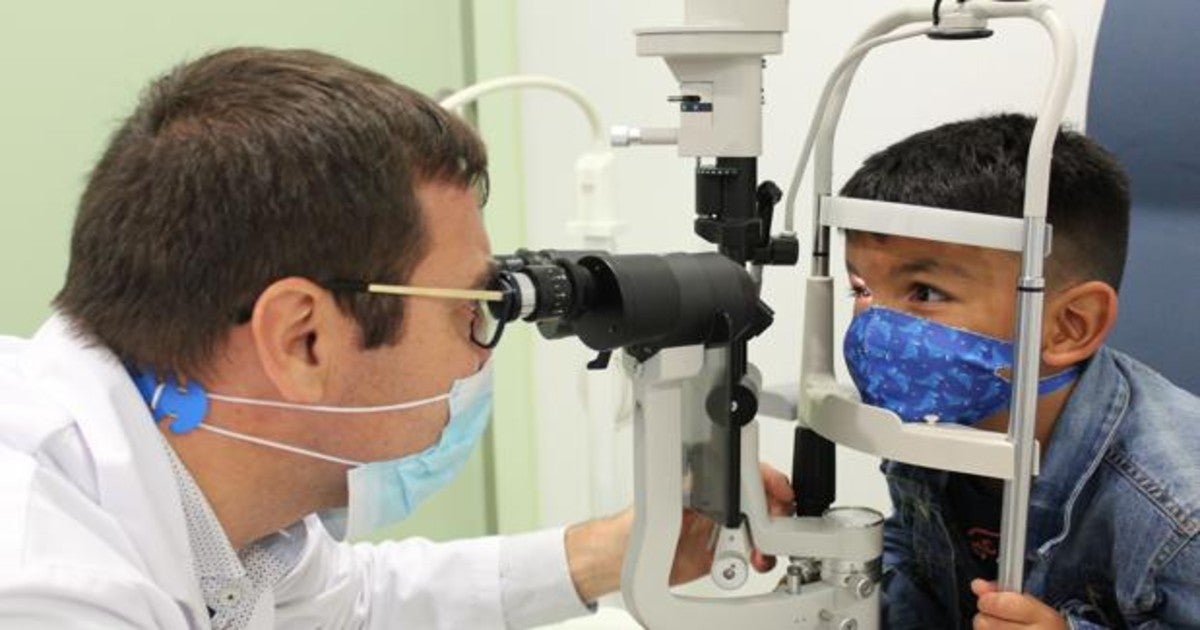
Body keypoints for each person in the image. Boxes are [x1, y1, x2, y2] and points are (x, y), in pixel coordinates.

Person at [0, 48, 794, 628]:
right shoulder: (48, 585)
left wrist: (618, 548)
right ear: (303, 338)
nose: (479, 350)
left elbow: (355, 603)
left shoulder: (209, 497)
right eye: (469, 305)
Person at [838, 113, 1200, 628]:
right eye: (862, 289)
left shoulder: (1178, 512)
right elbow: (917, 569)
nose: (872, 326)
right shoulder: (937, 423)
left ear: (1070, 326)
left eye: (925, 292)